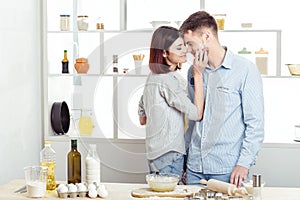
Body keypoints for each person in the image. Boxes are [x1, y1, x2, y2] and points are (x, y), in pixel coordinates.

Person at [179, 11, 264, 187]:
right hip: (195, 168)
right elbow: (193, 120)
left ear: (206, 36)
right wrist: (185, 161)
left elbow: (255, 124)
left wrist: (243, 164)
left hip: (228, 170)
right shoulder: (193, 72)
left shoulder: (245, 70)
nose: (187, 50)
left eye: (189, 43)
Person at [138, 26, 207, 179]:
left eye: (184, 46)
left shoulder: (153, 76)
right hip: (169, 155)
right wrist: (198, 74)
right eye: (178, 47)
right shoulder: (168, 79)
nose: (184, 51)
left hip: (155, 154)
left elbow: (142, 117)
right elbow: (196, 114)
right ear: (163, 52)